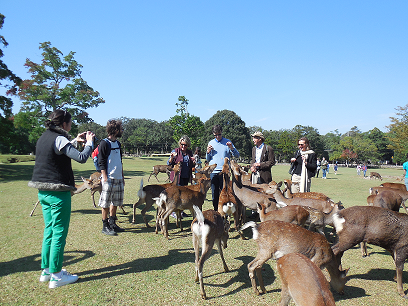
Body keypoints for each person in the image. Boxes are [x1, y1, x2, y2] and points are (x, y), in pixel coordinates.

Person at [28, 109, 95, 288]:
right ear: (64, 124)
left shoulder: (44, 137)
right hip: (58, 193)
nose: (71, 125)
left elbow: (56, 151)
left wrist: (73, 141)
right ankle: (57, 275)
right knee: (59, 233)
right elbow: (81, 158)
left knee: (49, 230)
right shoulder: (60, 138)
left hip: (43, 192)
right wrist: (89, 143)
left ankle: (47, 271)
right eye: (70, 123)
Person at [98, 119, 125, 236]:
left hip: (118, 177)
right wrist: (104, 177)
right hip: (108, 178)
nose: (122, 130)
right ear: (115, 130)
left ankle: (112, 222)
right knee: (105, 203)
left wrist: (122, 176)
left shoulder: (118, 144)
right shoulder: (104, 143)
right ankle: (105, 226)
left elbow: (120, 161)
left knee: (116, 202)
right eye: (121, 128)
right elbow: (101, 161)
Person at [206, 125, 240, 211]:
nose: (217, 137)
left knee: (225, 192)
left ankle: (224, 212)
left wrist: (231, 148)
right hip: (213, 172)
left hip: (224, 172)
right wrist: (208, 152)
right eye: (215, 135)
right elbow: (208, 159)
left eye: (219, 134)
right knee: (215, 193)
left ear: (222, 132)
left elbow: (237, 155)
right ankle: (216, 211)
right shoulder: (211, 143)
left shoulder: (227, 142)